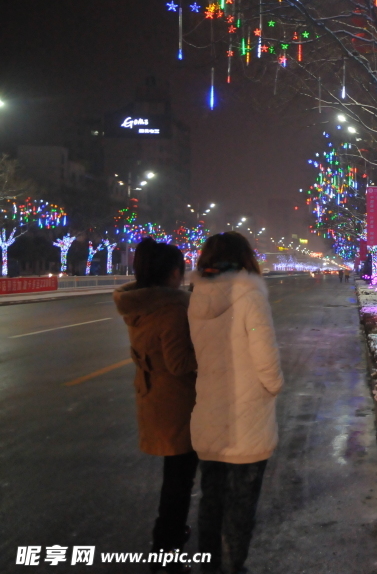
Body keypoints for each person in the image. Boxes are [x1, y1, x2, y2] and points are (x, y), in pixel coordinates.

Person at [188, 232, 284, 574]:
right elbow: (264, 353)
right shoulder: (249, 295)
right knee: (240, 506)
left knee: (211, 500)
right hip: (247, 418)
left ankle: (209, 566)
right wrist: (273, 387)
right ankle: (232, 567)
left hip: (209, 413)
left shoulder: (196, 296)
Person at [112, 238, 197, 573]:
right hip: (177, 404)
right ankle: (166, 551)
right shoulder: (172, 309)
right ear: (173, 272)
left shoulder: (139, 305)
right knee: (179, 483)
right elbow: (179, 363)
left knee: (174, 477)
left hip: (155, 399)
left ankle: (169, 540)